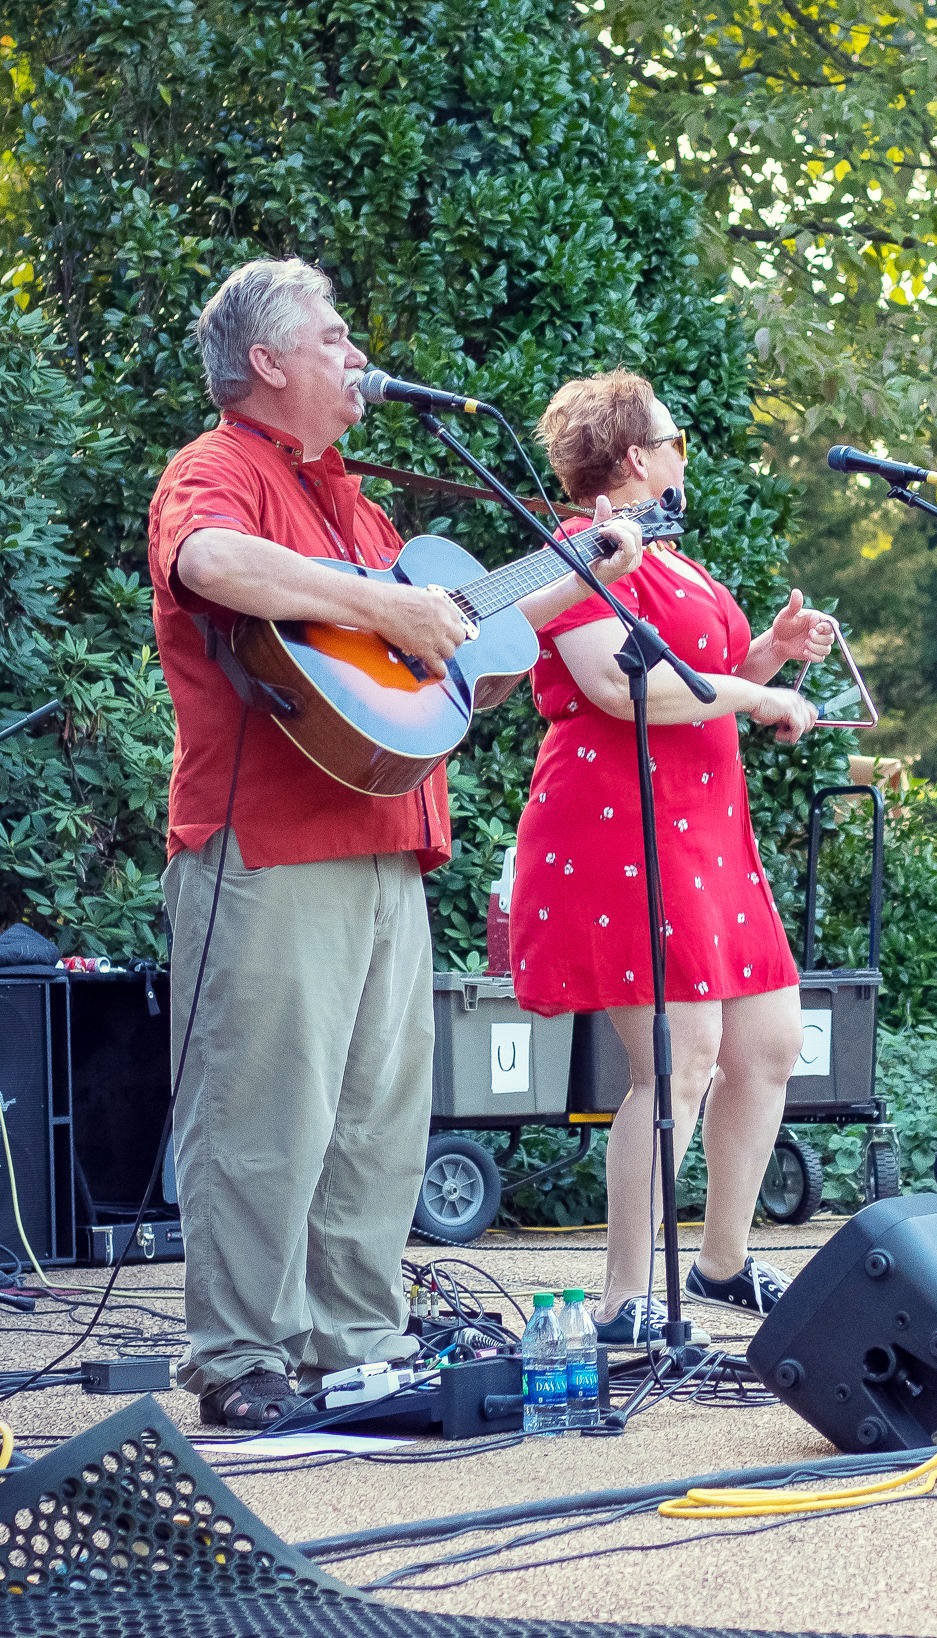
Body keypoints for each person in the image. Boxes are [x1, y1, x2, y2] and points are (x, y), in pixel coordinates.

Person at [148, 258, 644, 1428]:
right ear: (266, 361)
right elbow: (209, 562)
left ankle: (352, 1344)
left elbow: (452, 649)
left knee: (376, 1118)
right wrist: (382, 604)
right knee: (264, 1114)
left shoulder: (358, 507)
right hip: (269, 845)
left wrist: (576, 575)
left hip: (386, 837)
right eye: (332, 337)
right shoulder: (216, 468)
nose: (356, 353)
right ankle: (240, 1359)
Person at [511, 370, 832, 1336]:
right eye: (674, 439)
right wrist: (758, 696)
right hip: (622, 824)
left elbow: (705, 676)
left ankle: (723, 1265)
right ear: (636, 457)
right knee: (676, 1063)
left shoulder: (670, 555)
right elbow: (619, 690)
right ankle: (624, 1298)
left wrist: (769, 654)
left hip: (706, 823)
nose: (683, 453)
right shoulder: (580, 550)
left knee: (768, 1045)